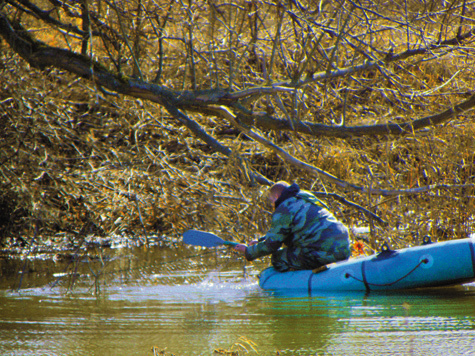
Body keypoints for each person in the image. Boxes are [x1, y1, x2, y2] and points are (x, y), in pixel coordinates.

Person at [234, 181, 350, 271]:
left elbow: (272, 245)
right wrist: (260, 241)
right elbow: (288, 234)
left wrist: (248, 251)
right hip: (344, 248)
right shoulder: (307, 198)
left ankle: (301, 282)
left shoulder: (284, 208)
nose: (272, 205)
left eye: (271, 201)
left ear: (277, 196)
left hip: (322, 252)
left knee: (278, 258)